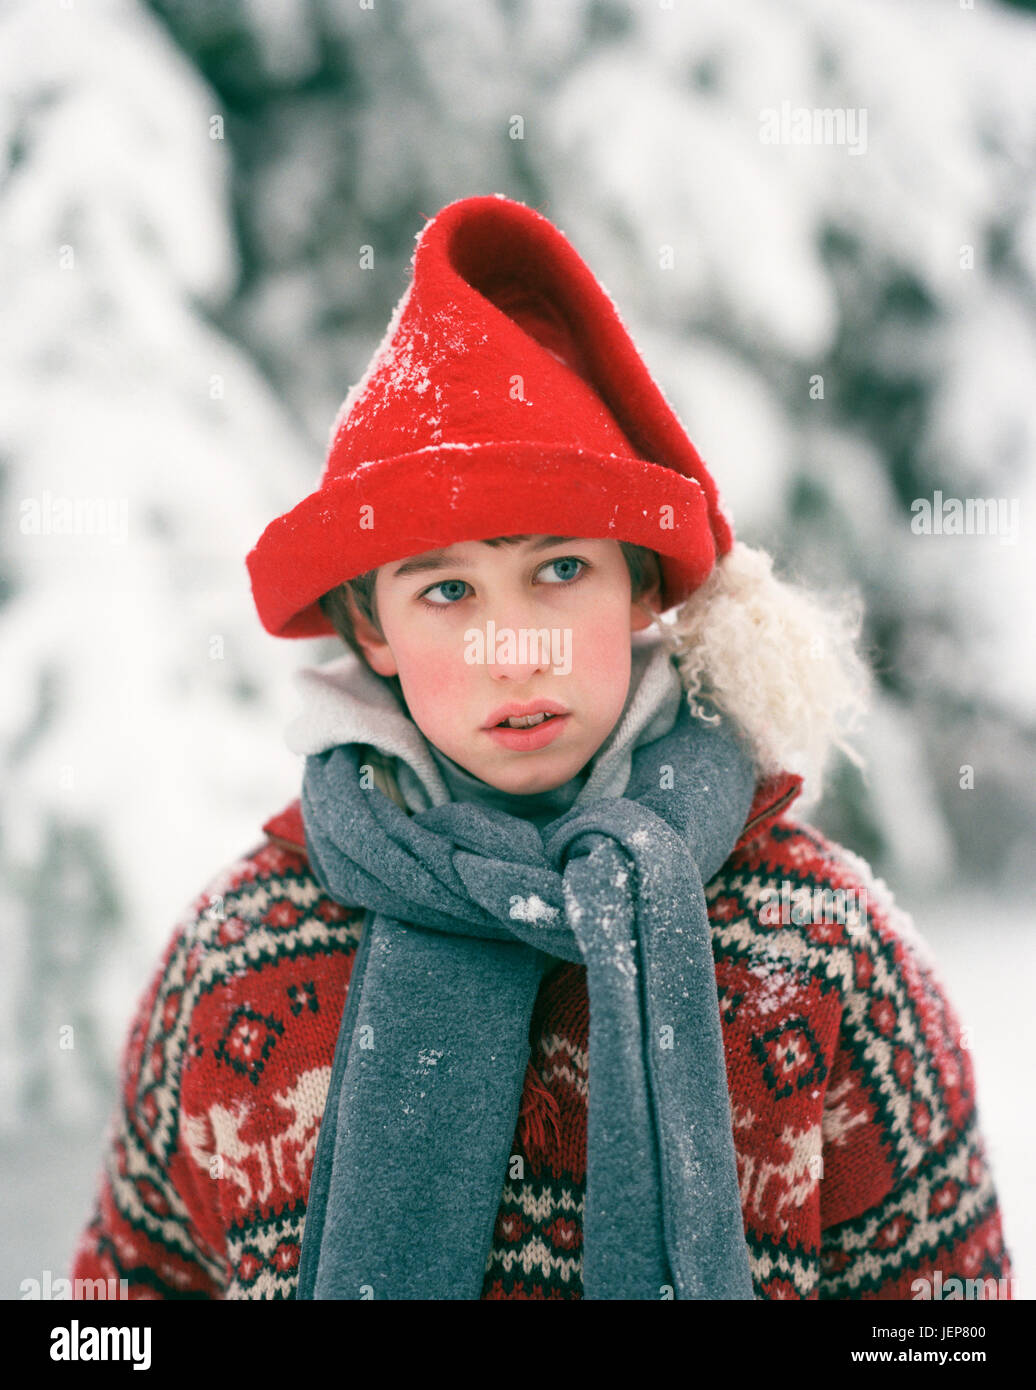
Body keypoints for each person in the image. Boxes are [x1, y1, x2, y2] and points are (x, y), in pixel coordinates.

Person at [69, 194, 1013, 1300]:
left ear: (638, 587)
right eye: (448, 589)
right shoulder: (236, 958)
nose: (511, 649)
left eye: (559, 571)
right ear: (370, 627)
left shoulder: (820, 951)